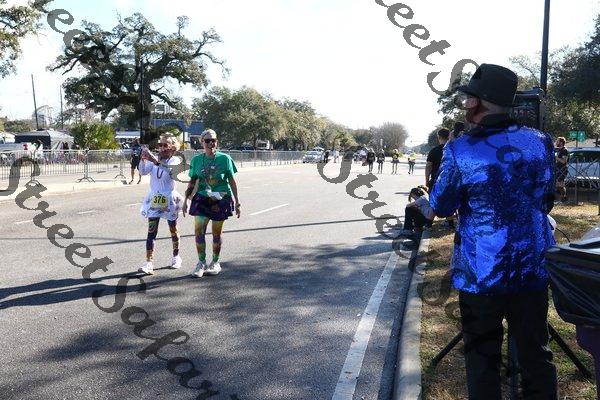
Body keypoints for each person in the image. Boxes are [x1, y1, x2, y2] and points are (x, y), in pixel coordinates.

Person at [429, 64, 557, 400]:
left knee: (482, 360)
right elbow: (547, 200)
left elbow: (441, 204)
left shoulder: (459, 149)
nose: (464, 105)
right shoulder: (541, 142)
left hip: (481, 274)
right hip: (531, 270)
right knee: (536, 354)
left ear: (476, 103)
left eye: (467, 99)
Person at [183, 129, 241, 278]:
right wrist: (185, 200)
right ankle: (201, 263)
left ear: (217, 142)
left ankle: (215, 262)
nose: (211, 143)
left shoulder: (225, 159)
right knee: (199, 231)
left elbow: (232, 181)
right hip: (202, 198)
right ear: (202, 142)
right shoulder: (196, 160)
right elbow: (192, 181)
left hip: (220, 199)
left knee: (216, 232)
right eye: (207, 140)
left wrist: (237, 202)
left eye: (213, 140)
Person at [137, 135, 184, 275]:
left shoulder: (175, 160)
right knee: (151, 231)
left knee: (173, 228)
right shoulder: (154, 159)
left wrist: (155, 161)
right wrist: (143, 159)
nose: (162, 148)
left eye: (165, 145)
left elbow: (171, 172)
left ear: (172, 147)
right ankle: (149, 262)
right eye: (160, 145)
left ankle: (176, 257)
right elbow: (143, 171)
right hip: (155, 198)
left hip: (169, 199)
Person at [555, 136, 569, 203]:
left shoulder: (564, 150)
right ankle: (562, 199)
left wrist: (555, 157)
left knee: (560, 185)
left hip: (562, 170)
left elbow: (564, 161)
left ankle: (563, 199)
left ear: (561, 142)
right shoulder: (559, 150)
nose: (556, 142)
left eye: (557, 141)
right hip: (558, 170)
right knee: (558, 185)